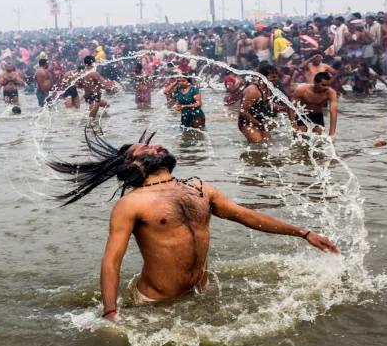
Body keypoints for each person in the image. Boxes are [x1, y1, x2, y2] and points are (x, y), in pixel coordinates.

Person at [46, 128, 339, 319]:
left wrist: (303, 233)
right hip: (155, 304)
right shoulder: (131, 204)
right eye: (145, 148)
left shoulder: (199, 188)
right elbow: (112, 262)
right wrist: (111, 313)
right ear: (133, 164)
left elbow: (246, 216)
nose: (156, 146)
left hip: (201, 292)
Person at [238, 63, 280, 143]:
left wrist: (284, 108)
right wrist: (260, 124)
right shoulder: (253, 90)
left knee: (267, 143)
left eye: (276, 76)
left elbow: (267, 103)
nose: (276, 79)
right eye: (273, 77)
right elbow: (243, 112)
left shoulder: (268, 88)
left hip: (260, 121)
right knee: (258, 144)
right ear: (263, 77)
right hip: (246, 123)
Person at [291, 72, 339, 137]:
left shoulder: (331, 93)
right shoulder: (302, 90)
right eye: (323, 85)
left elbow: (333, 111)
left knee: (318, 139)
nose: (327, 87)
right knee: (299, 137)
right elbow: (291, 107)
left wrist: (332, 133)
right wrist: (294, 124)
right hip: (302, 115)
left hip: (317, 116)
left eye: (328, 85)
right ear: (315, 83)